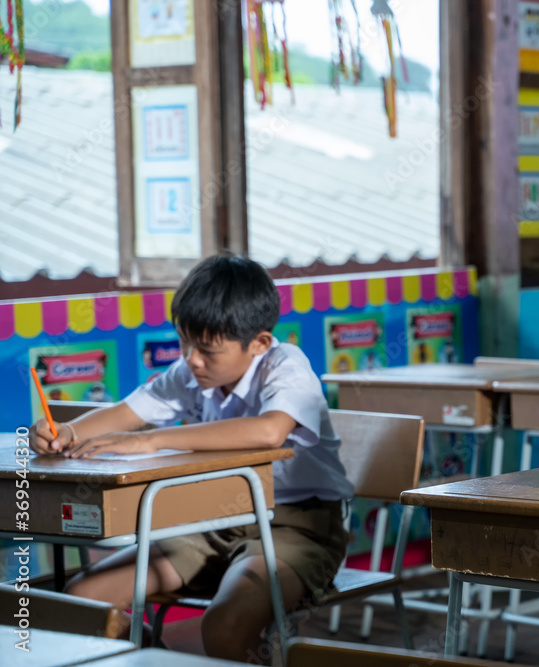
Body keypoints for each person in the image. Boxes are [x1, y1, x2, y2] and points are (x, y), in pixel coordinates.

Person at [29, 255, 354, 663]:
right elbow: (128, 412)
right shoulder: (191, 371)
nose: (192, 359)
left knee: (226, 626)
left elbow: (270, 430)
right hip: (209, 523)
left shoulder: (285, 365)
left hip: (297, 526)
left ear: (259, 343)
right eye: (185, 342)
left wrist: (152, 442)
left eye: (208, 350)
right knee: (82, 604)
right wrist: (66, 432)